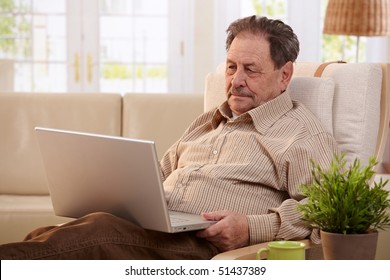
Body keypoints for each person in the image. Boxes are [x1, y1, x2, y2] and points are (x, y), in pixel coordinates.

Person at [0, 15, 337, 260]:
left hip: (199, 247)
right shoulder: (209, 121)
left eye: (251, 69)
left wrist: (251, 227)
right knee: (47, 238)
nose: (235, 80)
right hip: (153, 230)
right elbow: (157, 176)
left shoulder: (301, 132)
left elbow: (327, 210)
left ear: (285, 75)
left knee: (88, 237)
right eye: (231, 67)